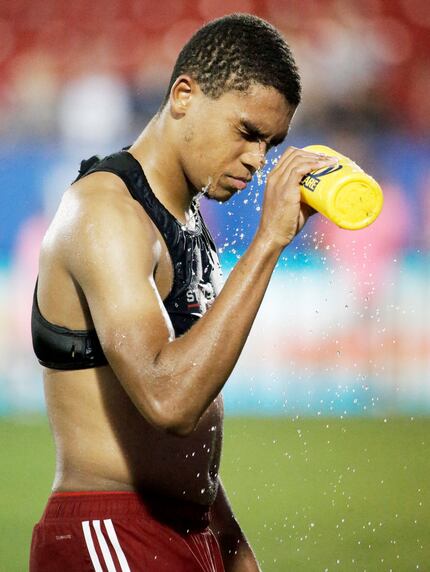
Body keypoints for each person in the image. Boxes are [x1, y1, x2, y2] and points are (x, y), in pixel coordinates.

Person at [29, 13, 339, 572]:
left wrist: (232, 546)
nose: (257, 161)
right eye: (247, 132)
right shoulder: (106, 210)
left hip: (187, 530)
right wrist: (268, 243)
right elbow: (169, 402)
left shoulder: (188, 219)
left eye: (270, 143)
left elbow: (189, 437)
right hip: (108, 528)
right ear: (183, 96)